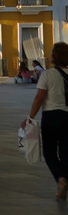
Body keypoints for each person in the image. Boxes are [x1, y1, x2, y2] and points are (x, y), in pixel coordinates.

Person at [25, 41, 68, 200]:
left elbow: (39, 97)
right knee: (65, 151)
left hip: (51, 117)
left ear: (54, 56)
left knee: (49, 151)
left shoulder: (47, 74)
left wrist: (30, 117)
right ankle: (64, 178)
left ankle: (60, 178)